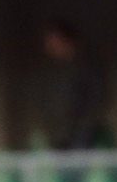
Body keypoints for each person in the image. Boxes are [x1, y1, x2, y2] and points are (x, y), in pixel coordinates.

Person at [36, 19, 109, 150]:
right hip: (56, 134)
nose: (49, 46)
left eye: (53, 41)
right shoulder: (51, 70)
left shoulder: (87, 66)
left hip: (82, 135)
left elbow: (96, 99)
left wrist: (84, 127)